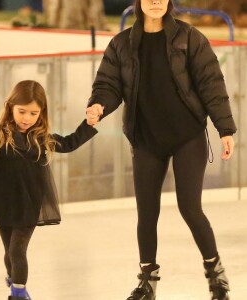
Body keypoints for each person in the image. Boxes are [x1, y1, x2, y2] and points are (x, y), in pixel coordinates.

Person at [86, 0, 236, 299]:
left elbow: (211, 83)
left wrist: (225, 128)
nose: (155, 2)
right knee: (147, 212)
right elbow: (108, 83)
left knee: (190, 208)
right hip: (146, 137)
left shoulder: (190, 38)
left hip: (187, 136)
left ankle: (216, 275)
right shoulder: (122, 44)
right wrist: (99, 104)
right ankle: (147, 282)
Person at [0, 80, 98, 300]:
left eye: (33, 113)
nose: (26, 118)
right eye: (21, 111)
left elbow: (70, 143)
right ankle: (13, 279)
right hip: (3, 200)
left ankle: (18, 293)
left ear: (41, 114)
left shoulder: (40, 137)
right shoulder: (0, 134)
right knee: (9, 252)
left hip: (30, 200)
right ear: (10, 107)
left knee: (17, 249)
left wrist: (88, 124)